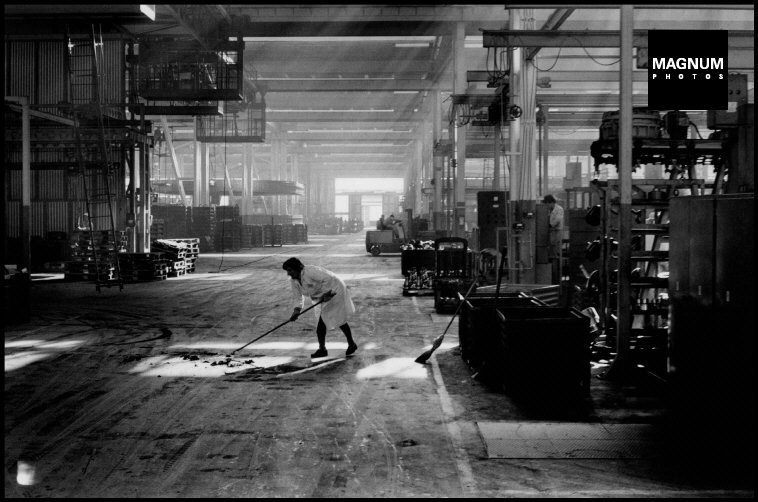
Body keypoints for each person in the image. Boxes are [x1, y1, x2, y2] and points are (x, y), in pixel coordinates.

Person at [282, 257, 358, 358]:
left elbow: (328, 278)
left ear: (297, 268)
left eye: (290, 270)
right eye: (287, 271)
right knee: (327, 319)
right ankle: (350, 344)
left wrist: (327, 293)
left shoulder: (310, 271)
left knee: (329, 320)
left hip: (335, 289)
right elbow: (297, 297)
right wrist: (296, 310)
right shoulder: (294, 281)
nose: (289, 274)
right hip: (320, 296)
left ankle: (323, 349)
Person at [542, 194, 564, 282]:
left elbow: (556, 221)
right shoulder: (548, 209)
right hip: (551, 232)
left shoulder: (559, 209)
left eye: (547, 204)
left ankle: (555, 273)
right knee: (551, 249)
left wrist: (549, 225)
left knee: (555, 250)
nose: (546, 206)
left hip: (556, 231)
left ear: (551, 202)